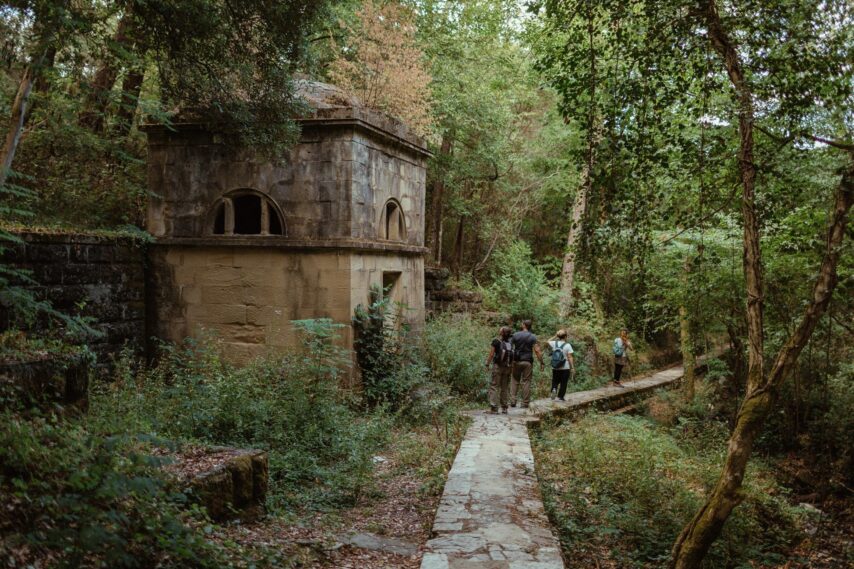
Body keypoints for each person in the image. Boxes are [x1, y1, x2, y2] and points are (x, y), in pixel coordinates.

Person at [510, 320, 544, 408]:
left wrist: (509, 360)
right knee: (526, 382)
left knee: (514, 380)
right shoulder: (533, 337)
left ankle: (513, 401)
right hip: (527, 362)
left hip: (516, 361)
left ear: (524, 325)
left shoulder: (515, 335)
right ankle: (525, 403)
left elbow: (509, 348)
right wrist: (541, 362)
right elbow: (537, 351)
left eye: (522, 323)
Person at [485, 326, 513, 414]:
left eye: (500, 330)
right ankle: (504, 408)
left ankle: (494, 408)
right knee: (504, 388)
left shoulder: (496, 341)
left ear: (502, 333)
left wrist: (487, 364)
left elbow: (491, 354)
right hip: (507, 367)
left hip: (498, 366)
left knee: (494, 386)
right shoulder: (510, 343)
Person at [547, 329, 575, 401]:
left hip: (555, 366)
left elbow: (547, 341)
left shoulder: (554, 343)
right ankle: (561, 397)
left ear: (558, 336)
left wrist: (555, 336)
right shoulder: (567, 345)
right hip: (565, 367)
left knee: (555, 381)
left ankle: (554, 389)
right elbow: (570, 357)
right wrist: (572, 367)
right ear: (565, 336)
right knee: (564, 382)